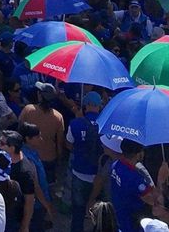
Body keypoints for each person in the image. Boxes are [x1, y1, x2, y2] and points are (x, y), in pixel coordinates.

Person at [66, 91, 103, 232]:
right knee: (101, 213)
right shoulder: (106, 125)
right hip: (100, 176)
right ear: (99, 106)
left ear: (85, 106)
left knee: (78, 211)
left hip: (80, 173)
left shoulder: (75, 123)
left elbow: (69, 144)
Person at [110, 139, 157, 232]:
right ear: (138, 154)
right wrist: (161, 180)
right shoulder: (135, 179)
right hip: (131, 219)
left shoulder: (115, 165)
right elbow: (152, 201)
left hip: (118, 213)